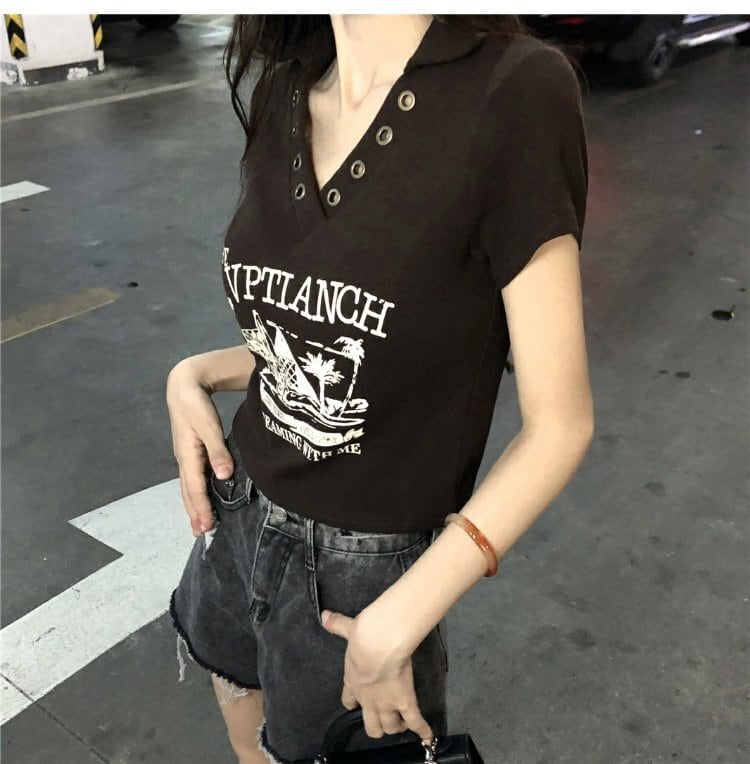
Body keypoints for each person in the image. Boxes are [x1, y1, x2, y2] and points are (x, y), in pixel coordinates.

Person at [167, 13, 594, 764]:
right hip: (236, 514)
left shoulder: (513, 91)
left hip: (362, 577)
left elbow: (560, 424)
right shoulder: (284, 88)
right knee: (243, 726)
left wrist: (405, 614)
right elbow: (314, 328)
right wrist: (194, 372)